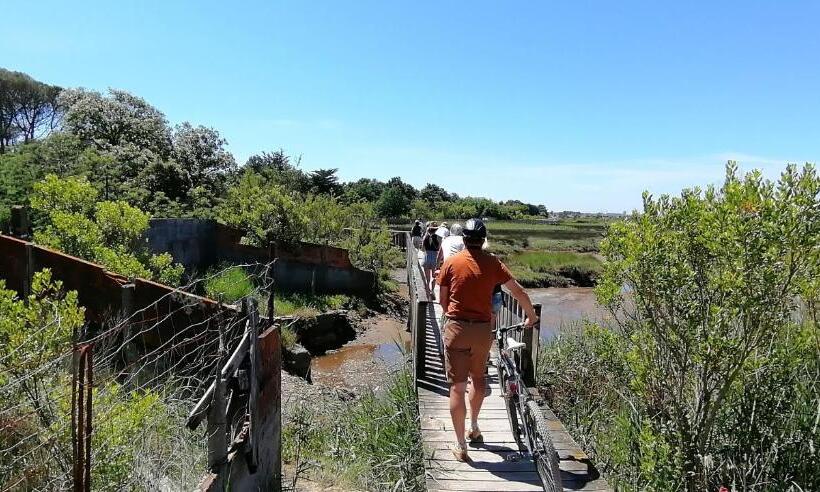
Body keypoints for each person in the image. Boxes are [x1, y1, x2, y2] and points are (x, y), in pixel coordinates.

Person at [436, 218, 539, 461]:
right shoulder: (493, 263)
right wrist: (531, 316)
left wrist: (455, 316)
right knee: (478, 378)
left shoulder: (451, 263)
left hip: (457, 329)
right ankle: (474, 426)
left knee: (457, 386)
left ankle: (461, 445)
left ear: (464, 239)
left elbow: (442, 301)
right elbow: (518, 291)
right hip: (483, 331)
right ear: (483, 240)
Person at [422, 222, 441, 291]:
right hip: (434, 257)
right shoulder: (438, 237)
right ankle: (432, 291)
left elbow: (422, 248)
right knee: (434, 277)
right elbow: (439, 248)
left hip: (426, 256)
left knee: (427, 278)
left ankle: (427, 290)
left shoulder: (425, 236)